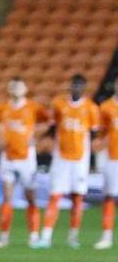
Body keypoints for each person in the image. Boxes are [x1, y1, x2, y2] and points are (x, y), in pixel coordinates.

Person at [37, 74, 102, 249]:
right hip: (61, 159)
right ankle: (46, 236)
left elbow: (93, 133)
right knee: (55, 196)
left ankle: (73, 236)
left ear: (84, 88)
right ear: (70, 86)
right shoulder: (59, 104)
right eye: (74, 85)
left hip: (80, 159)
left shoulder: (91, 108)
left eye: (80, 86)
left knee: (77, 198)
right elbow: (53, 127)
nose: (76, 88)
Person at [0, 77, 51, 248]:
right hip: (7, 157)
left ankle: (34, 235)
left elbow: (49, 122)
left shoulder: (33, 107)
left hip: (27, 158)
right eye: (12, 86)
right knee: (7, 197)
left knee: (31, 198)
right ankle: (4, 237)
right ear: (8, 89)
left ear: (25, 89)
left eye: (18, 86)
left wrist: (36, 137)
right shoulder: (2, 108)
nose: (15, 89)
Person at [98, 91, 118, 251]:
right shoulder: (106, 107)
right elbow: (101, 134)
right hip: (113, 158)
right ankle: (106, 236)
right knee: (110, 197)